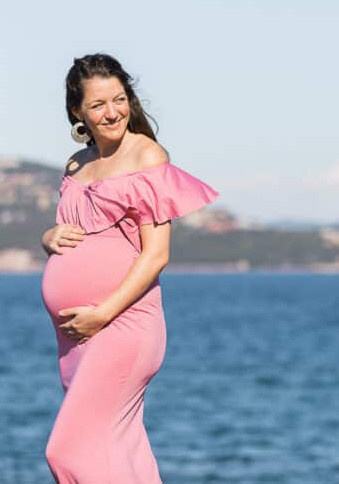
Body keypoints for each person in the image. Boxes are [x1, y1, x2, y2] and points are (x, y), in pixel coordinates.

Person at [40, 53, 219, 482]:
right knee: (121, 451)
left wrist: (101, 315)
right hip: (77, 336)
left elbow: (156, 255)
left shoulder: (146, 156)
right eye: (98, 104)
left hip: (121, 324)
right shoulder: (76, 164)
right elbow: (73, 231)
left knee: (68, 452)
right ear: (76, 111)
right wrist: (48, 238)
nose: (112, 112)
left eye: (119, 99)